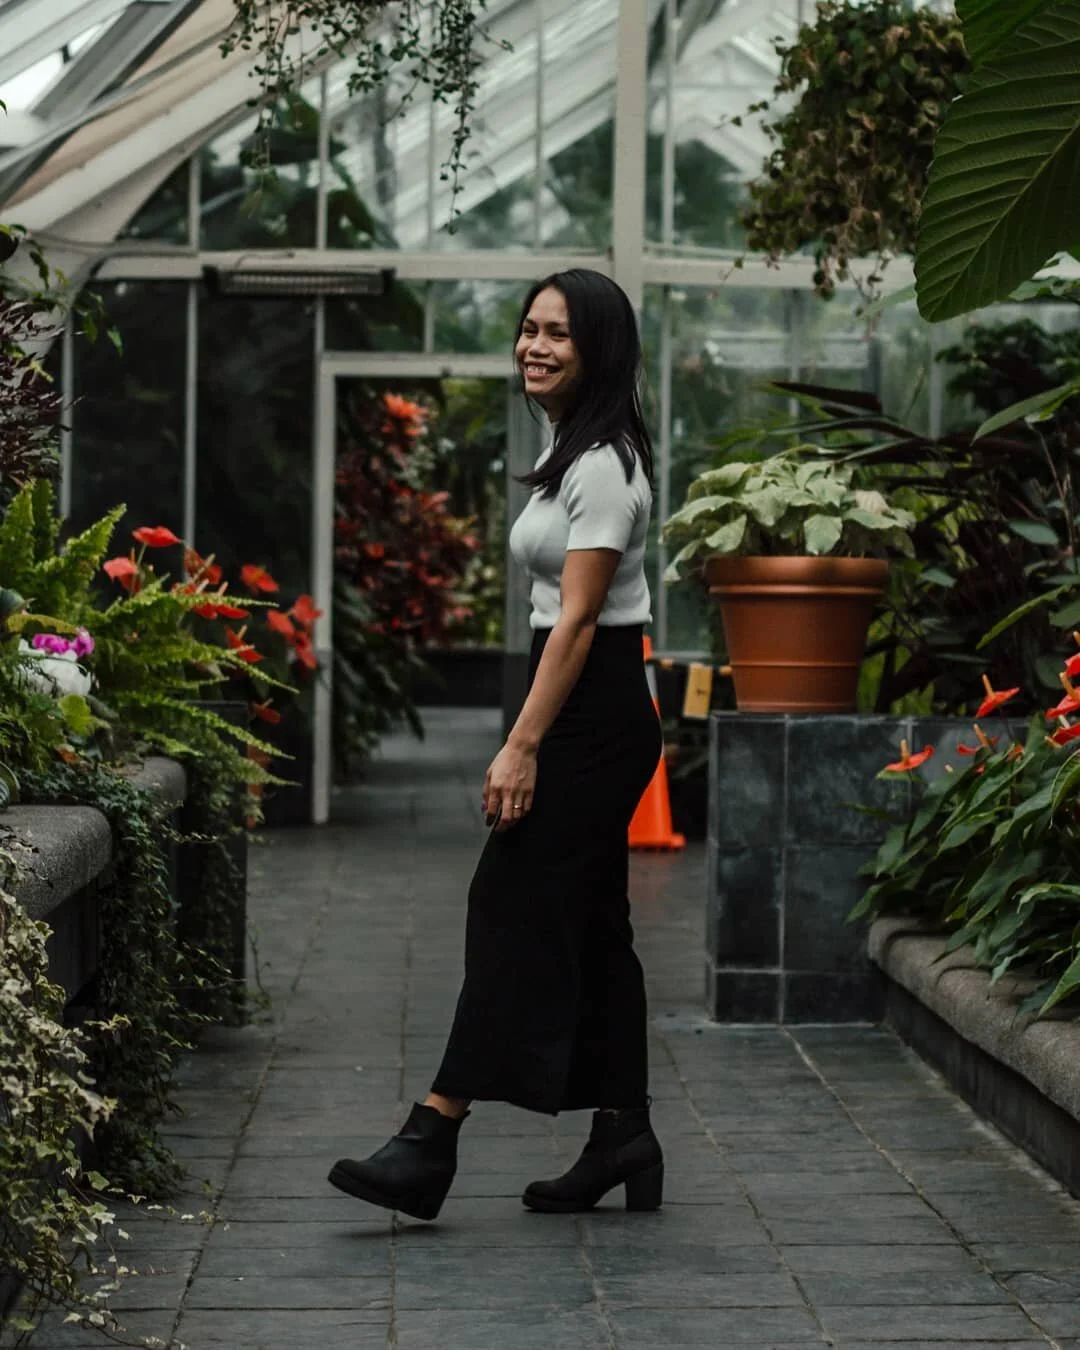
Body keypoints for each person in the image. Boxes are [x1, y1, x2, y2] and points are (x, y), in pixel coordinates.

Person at [328, 268, 664, 1222]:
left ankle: (431, 1138)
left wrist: (520, 746)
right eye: (527, 329)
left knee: (506, 904)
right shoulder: (573, 448)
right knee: (596, 926)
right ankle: (623, 1132)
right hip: (583, 704)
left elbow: (583, 620)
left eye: (557, 332)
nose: (534, 346)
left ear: (599, 347)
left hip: (588, 714)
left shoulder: (601, 463)